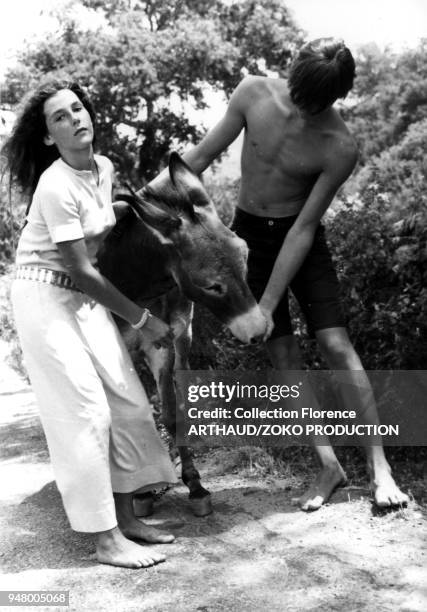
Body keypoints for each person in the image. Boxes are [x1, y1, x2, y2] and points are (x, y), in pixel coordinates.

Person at [163, 38, 409, 510]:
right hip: (250, 236)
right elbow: (196, 159)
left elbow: (303, 229)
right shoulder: (253, 93)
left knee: (336, 343)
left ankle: (381, 468)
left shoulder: (340, 146)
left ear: (336, 97)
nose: (301, 107)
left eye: (314, 103)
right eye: (298, 93)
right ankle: (328, 465)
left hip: (302, 240)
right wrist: (142, 202)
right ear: (291, 69)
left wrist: (270, 304)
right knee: (281, 352)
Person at [3, 78, 179, 568]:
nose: (76, 118)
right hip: (43, 296)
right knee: (85, 413)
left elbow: (103, 217)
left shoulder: (101, 168)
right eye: (60, 117)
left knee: (127, 403)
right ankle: (104, 539)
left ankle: (126, 520)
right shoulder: (54, 184)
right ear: (47, 137)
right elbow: (80, 267)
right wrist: (143, 319)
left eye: (78, 108)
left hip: (80, 297)